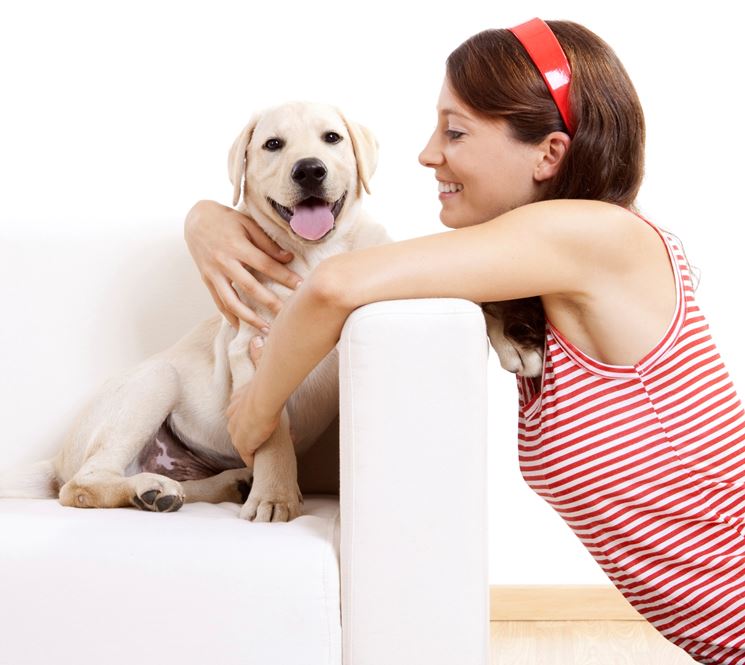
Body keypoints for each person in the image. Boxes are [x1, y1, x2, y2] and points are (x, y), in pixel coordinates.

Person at [184, 18, 745, 664]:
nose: (426, 153)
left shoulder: (590, 235)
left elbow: (333, 285)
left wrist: (254, 411)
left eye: (454, 131)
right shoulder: (536, 276)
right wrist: (206, 218)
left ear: (549, 154)